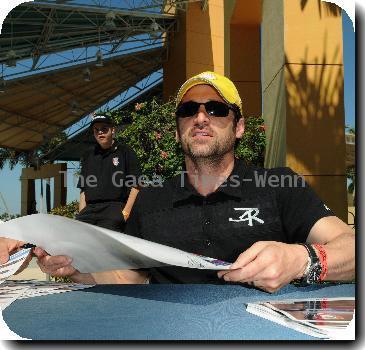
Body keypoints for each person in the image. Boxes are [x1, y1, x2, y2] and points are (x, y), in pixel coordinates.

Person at [0, 72, 355, 292]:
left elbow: (352, 246)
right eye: (188, 110)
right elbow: (134, 278)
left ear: (239, 126)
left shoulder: (278, 184)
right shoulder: (152, 200)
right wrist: (79, 270)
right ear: (177, 130)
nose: (201, 117)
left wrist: (302, 259)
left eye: (216, 109)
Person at [76, 114, 141, 232]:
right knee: (76, 238)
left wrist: (125, 213)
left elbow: (136, 186)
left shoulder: (125, 151)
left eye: (104, 129)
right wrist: (82, 213)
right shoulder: (88, 155)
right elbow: (83, 189)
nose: (100, 132)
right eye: (96, 130)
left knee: (104, 246)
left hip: (114, 209)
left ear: (113, 130)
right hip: (89, 211)